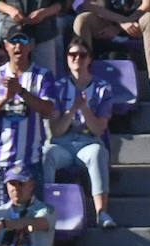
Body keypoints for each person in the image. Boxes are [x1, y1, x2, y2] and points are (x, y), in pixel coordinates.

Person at [0, 27, 55, 210]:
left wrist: (21, 91)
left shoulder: (43, 76)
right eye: (14, 41)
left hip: (30, 162)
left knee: (32, 220)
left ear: (31, 46)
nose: (18, 45)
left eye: (23, 41)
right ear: (6, 46)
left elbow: (48, 110)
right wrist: (5, 97)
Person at [44, 37, 115, 228]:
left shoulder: (102, 88)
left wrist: (84, 109)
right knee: (45, 155)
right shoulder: (57, 88)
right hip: (63, 143)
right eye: (72, 54)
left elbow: (99, 129)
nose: (77, 58)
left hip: (88, 141)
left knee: (98, 153)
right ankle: (45, 211)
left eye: (82, 55)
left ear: (90, 59)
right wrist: (73, 109)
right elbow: (56, 130)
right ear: (66, 58)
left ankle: (102, 212)